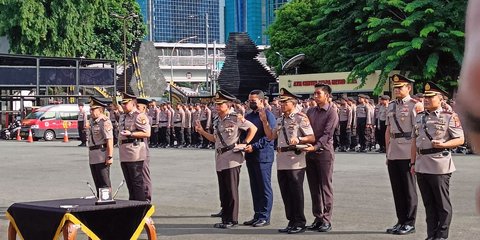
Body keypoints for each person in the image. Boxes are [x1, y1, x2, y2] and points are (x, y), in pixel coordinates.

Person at [195, 90, 257, 229]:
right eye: (216, 104)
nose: (217, 106)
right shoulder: (218, 119)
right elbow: (214, 139)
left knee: (231, 189)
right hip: (220, 157)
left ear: (228, 104)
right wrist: (202, 132)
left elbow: (253, 128)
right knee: (223, 190)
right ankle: (225, 217)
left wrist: (245, 143)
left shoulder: (236, 118)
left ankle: (232, 219)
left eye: (220, 104)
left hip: (232, 156)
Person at [411, 82, 464, 240]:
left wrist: (444, 144)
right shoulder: (420, 117)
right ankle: (431, 234)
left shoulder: (449, 117)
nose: (426, 100)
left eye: (430, 97)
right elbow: (414, 141)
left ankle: (441, 235)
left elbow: (460, 139)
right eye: (425, 97)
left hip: (439, 164)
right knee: (429, 204)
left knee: (442, 204)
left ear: (440, 99)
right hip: (421, 164)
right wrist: (412, 163)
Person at [261, 88, 315, 234]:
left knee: (296, 192)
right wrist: (265, 122)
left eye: (285, 102)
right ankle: (291, 221)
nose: (281, 105)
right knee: (286, 192)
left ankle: (300, 222)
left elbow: (311, 137)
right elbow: (271, 136)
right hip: (282, 160)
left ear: (293, 103)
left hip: (295, 160)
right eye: (281, 102)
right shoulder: (280, 119)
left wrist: (299, 139)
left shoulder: (300, 118)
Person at [385, 74, 421, 235]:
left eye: (400, 87)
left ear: (409, 88)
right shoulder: (391, 105)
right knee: (397, 188)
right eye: (395, 87)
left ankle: (410, 222)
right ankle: (401, 220)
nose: (397, 90)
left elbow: (418, 132)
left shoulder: (415, 105)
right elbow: (388, 130)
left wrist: (415, 156)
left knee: (408, 188)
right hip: (393, 151)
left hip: (408, 150)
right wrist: (387, 152)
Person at [303, 83, 339, 232]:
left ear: (327, 96)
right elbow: (305, 130)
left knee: (325, 186)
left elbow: (327, 134)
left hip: (324, 152)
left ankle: (326, 219)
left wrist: (315, 147)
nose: (315, 96)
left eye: (318, 93)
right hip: (310, 152)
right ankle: (317, 217)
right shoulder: (310, 111)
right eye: (314, 93)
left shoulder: (332, 112)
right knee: (314, 187)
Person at [243, 90, 276, 227]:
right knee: (255, 186)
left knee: (264, 187)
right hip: (250, 155)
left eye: (254, 101)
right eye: (250, 100)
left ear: (261, 101)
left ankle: (264, 216)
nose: (251, 103)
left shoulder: (268, 115)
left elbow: (269, 137)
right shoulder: (249, 116)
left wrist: (254, 146)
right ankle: (257, 214)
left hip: (263, 155)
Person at [118, 92, 151, 201]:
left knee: (137, 182)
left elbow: (147, 133)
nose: (123, 105)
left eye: (125, 103)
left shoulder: (139, 116)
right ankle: (132, 205)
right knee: (130, 183)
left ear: (133, 104)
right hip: (124, 153)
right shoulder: (123, 116)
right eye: (122, 103)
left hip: (135, 153)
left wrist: (131, 134)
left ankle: (141, 206)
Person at [87, 97, 114, 196]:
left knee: (104, 183)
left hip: (101, 154)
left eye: (93, 109)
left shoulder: (104, 121)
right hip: (93, 155)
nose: (91, 111)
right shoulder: (92, 121)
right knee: (97, 182)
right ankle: (100, 200)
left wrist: (109, 156)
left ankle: (107, 202)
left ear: (100, 110)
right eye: (91, 109)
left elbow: (109, 140)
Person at [137, 98, 153, 202]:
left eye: (138, 107)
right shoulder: (134, 117)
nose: (136, 109)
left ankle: (147, 199)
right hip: (133, 151)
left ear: (144, 108)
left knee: (144, 175)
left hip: (142, 150)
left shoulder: (147, 118)